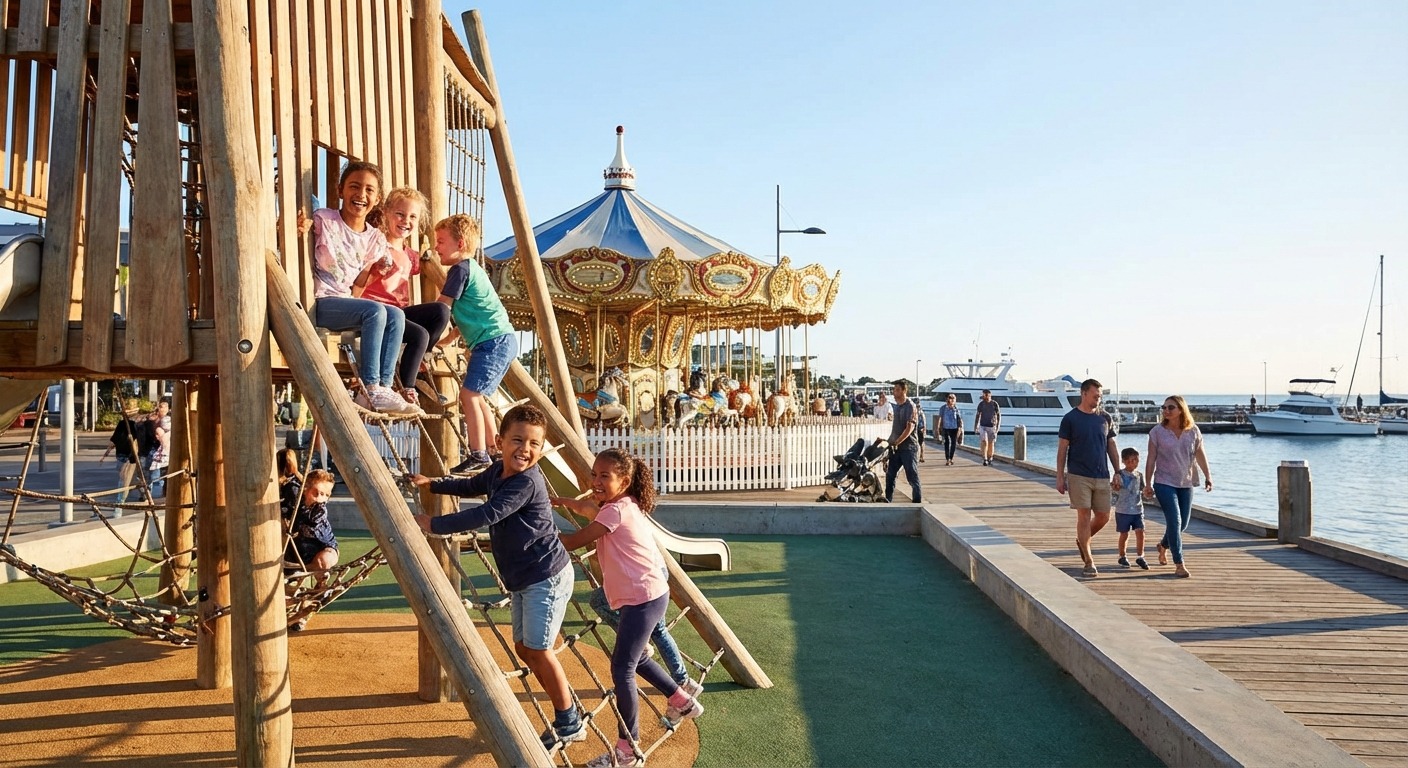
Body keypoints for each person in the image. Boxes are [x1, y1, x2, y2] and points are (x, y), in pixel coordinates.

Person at [409, 404, 581, 749]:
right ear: (499, 441)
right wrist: (434, 485)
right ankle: (565, 707)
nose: (525, 449)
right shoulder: (497, 471)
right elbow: (472, 485)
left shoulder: (527, 482)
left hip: (545, 575)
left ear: (541, 448)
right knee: (524, 648)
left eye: (534, 444)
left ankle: (568, 720)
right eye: (518, 440)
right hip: (524, 578)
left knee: (539, 650)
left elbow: (489, 513)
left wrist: (435, 525)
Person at [553, 448, 704, 768]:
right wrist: (565, 502)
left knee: (622, 669)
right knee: (639, 658)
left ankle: (627, 751)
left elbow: (577, 539)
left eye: (604, 476)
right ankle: (682, 700)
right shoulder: (623, 505)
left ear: (624, 480)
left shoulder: (614, 512)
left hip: (641, 599)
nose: (596, 480)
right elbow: (587, 508)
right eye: (594, 474)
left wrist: (539, 531)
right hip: (647, 595)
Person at [306, 161, 420, 416]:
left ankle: (383, 387)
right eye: (354, 187)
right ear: (341, 190)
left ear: (377, 198)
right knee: (375, 311)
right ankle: (370, 385)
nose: (361, 195)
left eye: (369, 190)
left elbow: (358, 286)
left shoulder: (374, 238)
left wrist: (376, 270)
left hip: (346, 302)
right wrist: (299, 225)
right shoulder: (325, 219)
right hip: (323, 302)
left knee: (396, 315)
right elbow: (301, 218)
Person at [433, 213, 518, 472]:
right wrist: (447, 339)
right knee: (478, 398)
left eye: (441, 241)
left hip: (492, 342)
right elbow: (468, 314)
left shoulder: (460, 269)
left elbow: (442, 309)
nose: (436, 247)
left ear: (459, 245)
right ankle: (494, 451)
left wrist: (423, 333)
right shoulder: (473, 270)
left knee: (468, 395)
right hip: (501, 340)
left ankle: (478, 453)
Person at [357, 186, 451, 406]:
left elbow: (428, 261)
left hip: (400, 314)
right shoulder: (376, 243)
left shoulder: (410, 255)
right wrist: (374, 268)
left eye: (412, 217)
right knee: (419, 335)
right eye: (400, 214)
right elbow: (359, 276)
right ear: (386, 213)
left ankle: (419, 360)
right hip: (377, 314)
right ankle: (407, 387)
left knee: (441, 311)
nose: (405, 221)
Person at [1055, 378, 1121, 578]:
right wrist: (1060, 476)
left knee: (1103, 516)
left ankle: (1082, 541)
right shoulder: (1070, 419)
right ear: (1084, 393)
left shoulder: (1105, 418)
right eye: (1095, 396)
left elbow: (1111, 446)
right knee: (1083, 516)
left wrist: (1118, 471)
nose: (1098, 399)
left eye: (1100, 396)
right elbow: (1062, 449)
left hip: (1102, 474)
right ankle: (1089, 561)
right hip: (1078, 475)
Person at [1142, 395, 1212, 579]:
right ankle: (1179, 563)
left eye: (1170, 407)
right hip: (1164, 481)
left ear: (1180, 409)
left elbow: (1200, 454)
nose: (1165, 411)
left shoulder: (1193, 431)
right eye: (1164, 408)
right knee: (1175, 521)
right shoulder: (1157, 432)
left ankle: (1163, 545)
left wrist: (1208, 476)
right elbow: (1151, 459)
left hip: (1186, 482)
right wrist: (1147, 484)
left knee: (1184, 523)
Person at [282, 468, 340, 631]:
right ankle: (295, 613)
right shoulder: (293, 497)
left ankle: (321, 586)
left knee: (323, 560)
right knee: (288, 590)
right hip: (294, 556)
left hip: (322, 550)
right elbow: (290, 486)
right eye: (317, 493)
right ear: (305, 489)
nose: (321, 499)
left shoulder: (319, 510)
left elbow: (308, 518)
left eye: (326, 495)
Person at [883, 380, 922, 503]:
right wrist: (889, 445)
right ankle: (887, 500)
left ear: (904, 391)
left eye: (897, 390)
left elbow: (909, 428)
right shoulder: (897, 407)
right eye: (894, 390)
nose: (894, 392)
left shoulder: (910, 406)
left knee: (912, 476)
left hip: (909, 447)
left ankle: (917, 502)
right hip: (896, 448)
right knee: (890, 475)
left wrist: (897, 442)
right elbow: (895, 430)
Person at [1113, 447, 1148, 570]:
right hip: (1123, 509)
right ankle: (1122, 555)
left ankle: (1140, 556)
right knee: (1124, 534)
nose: (1134, 463)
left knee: (1140, 532)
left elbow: (1143, 489)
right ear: (1124, 461)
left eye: (1136, 460)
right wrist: (1115, 486)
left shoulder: (1139, 475)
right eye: (1130, 461)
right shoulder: (1119, 475)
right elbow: (1115, 488)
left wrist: (1147, 492)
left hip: (1137, 509)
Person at [974, 389, 1001, 466]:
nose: (984, 397)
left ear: (989, 395)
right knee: (984, 441)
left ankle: (990, 458)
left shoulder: (994, 404)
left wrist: (998, 427)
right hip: (983, 426)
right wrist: (976, 426)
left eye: (985, 395)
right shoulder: (981, 404)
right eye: (983, 395)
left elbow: (998, 415)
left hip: (992, 426)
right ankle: (984, 458)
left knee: (991, 443)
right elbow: (978, 415)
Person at [936, 393, 964, 466]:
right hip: (945, 428)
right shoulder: (943, 408)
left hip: (954, 428)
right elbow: (939, 418)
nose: (951, 399)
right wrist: (938, 428)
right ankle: (947, 459)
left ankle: (951, 458)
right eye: (949, 398)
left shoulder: (956, 409)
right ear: (947, 399)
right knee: (947, 443)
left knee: (953, 444)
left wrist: (960, 429)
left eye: (953, 398)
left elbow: (959, 419)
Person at [912, 396, 927, 462]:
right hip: (915, 427)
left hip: (920, 428)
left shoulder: (920, 411)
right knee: (916, 442)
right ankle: (918, 456)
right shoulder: (913, 409)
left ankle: (921, 456)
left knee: (921, 442)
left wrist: (924, 428)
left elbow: (923, 420)